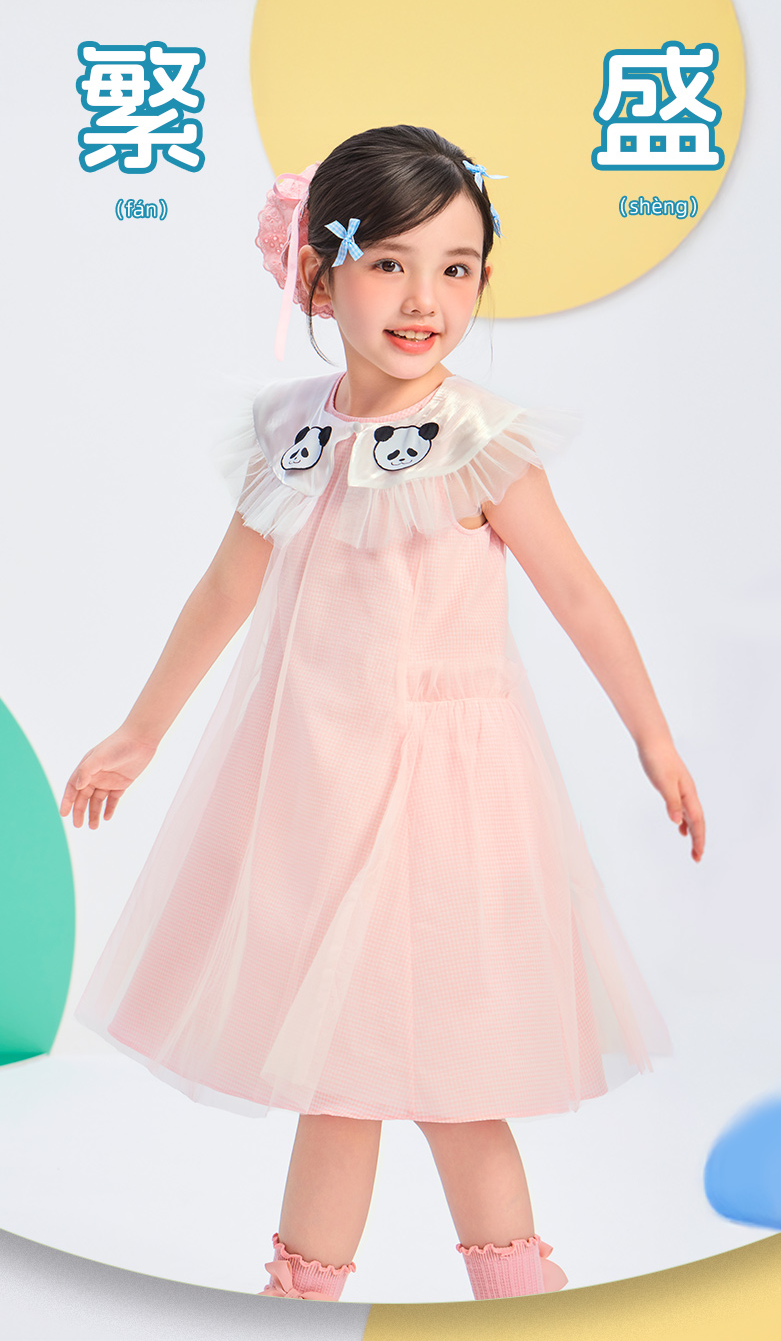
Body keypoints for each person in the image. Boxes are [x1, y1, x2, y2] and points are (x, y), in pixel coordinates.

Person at [60, 124, 705, 1303]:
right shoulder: (290, 432)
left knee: (453, 1081)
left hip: (442, 798)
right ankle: (303, 1295)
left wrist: (651, 735)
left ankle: (517, 1294)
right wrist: (140, 730)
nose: (424, 300)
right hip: (315, 779)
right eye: (390, 264)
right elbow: (227, 590)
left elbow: (577, 594)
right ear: (319, 275)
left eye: (456, 268)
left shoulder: (476, 443)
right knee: (336, 1073)